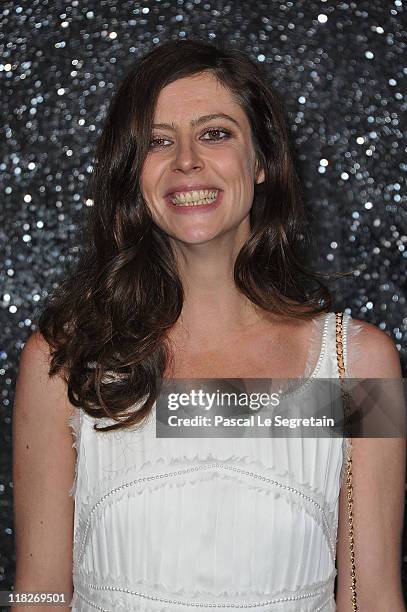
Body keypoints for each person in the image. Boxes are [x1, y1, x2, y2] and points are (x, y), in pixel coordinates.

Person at [12, 38, 405, 611]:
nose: (187, 160)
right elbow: (40, 593)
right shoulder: (68, 360)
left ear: (263, 160)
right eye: (158, 141)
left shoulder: (358, 363)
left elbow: (372, 597)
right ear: (131, 172)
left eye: (216, 133)